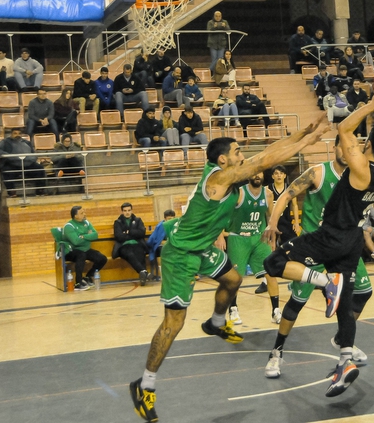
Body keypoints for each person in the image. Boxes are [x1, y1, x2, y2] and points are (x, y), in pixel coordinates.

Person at [129, 115, 329, 422]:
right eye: (237, 152)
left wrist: (303, 132)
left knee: (233, 279)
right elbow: (265, 161)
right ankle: (145, 385)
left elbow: (264, 154)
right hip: (181, 255)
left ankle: (216, 322)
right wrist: (306, 143)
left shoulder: (228, 174)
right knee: (174, 323)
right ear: (223, 160)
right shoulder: (218, 179)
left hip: (204, 248)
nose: (242, 156)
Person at [262, 87, 374, 397]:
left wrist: (371, 105)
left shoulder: (360, 166)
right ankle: (345, 362)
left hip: (329, 238)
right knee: (344, 306)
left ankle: (325, 281)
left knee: (273, 263)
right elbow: (366, 145)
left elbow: (344, 127)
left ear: (366, 145)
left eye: (361, 142)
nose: (353, 143)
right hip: (352, 241)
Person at [260, 135, 374, 378]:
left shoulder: (358, 175)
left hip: (343, 245)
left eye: (352, 147)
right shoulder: (317, 172)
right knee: (297, 303)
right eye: (343, 146)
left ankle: (342, 339)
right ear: (335, 147)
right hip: (315, 244)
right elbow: (286, 194)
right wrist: (273, 223)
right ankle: (276, 352)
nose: (347, 150)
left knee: (363, 292)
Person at [225, 171, 282, 326]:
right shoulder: (239, 193)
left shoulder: (268, 194)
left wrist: (272, 237)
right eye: (254, 173)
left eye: (260, 173)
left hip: (259, 237)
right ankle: (233, 309)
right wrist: (218, 236)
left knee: (271, 273)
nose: (257, 175)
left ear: (263, 175)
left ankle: (276, 311)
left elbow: (270, 218)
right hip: (238, 238)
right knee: (235, 278)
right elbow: (222, 213)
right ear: (248, 175)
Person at [61, 206, 106, 291]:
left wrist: (83, 236)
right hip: (71, 251)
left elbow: (95, 235)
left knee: (102, 258)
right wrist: (88, 236)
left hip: (85, 249)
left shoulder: (87, 223)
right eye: (81, 213)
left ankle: (88, 276)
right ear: (75, 216)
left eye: (84, 212)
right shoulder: (69, 226)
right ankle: (78, 282)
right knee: (81, 255)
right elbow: (75, 241)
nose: (84, 214)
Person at [0, 128, 47, 196]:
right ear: (11, 134)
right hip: (13, 164)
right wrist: (9, 156)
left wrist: (31, 158)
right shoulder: (5, 142)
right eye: (15, 133)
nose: (17, 135)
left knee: (39, 169)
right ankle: (11, 191)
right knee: (6, 171)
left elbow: (33, 153)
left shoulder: (27, 142)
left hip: (28, 164)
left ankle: (40, 191)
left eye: (19, 133)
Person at [113, 202, 150, 286]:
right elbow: (119, 236)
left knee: (140, 252)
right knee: (129, 254)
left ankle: (143, 274)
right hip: (123, 245)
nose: (127, 212)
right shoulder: (118, 222)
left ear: (132, 210)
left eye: (129, 210)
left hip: (137, 244)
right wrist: (133, 235)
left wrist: (128, 232)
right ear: (122, 211)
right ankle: (144, 272)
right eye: (125, 210)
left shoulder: (138, 220)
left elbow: (142, 232)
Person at [146, 209, 176, 282]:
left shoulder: (176, 226)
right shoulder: (160, 226)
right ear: (165, 219)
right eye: (169, 219)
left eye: (172, 219)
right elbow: (154, 239)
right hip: (159, 247)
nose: (170, 221)